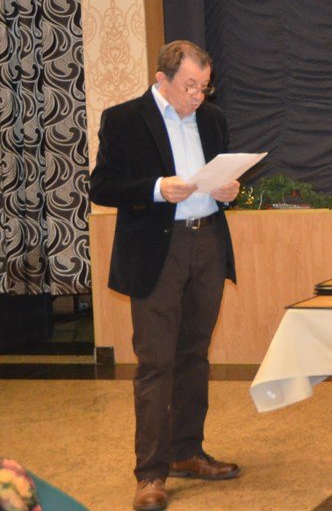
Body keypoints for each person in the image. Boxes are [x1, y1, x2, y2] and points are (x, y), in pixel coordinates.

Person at [89, 41, 243, 511]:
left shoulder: (212, 119)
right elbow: (102, 185)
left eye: (204, 86)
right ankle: (150, 473)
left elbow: (222, 176)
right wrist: (157, 189)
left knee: (194, 355)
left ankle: (187, 451)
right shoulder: (125, 119)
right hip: (158, 249)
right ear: (162, 79)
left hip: (208, 242)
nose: (198, 96)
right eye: (190, 86)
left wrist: (230, 190)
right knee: (156, 362)